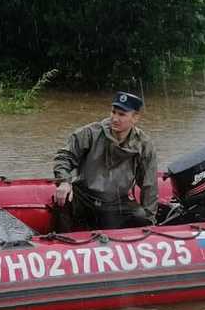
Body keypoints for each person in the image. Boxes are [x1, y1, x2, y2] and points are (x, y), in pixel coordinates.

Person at [52, 90, 158, 230]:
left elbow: (148, 184)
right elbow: (64, 157)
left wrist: (150, 220)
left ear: (135, 118)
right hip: (84, 197)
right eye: (113, 112)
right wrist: (64, 181)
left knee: (141, 217)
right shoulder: (90, 133)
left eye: (121, 114)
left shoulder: (144, 144)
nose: (115, 118)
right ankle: (64, 243)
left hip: (116, 201)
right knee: (63, 199)